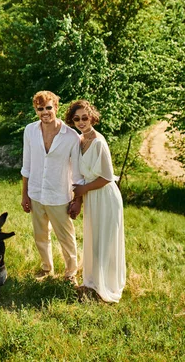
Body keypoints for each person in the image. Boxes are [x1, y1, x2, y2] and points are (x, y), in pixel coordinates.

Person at [65, 99, 126, 303]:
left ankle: (105, 286)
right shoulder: (80, 141)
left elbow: (107, 177)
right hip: (92, 196)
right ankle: (91, 282)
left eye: (85, 117)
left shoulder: (99, 142)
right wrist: (78, 200)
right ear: (72, 120)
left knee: (105, 241)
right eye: (77, 119)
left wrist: (84, 190)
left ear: (92, 117)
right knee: (93, 239)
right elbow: (80, 178)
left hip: (105, 196)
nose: (81, 122)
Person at [21, 90, 82, 282]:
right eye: (40, 109)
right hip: (36, 193)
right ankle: (46, 269)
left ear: (56, 107)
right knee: (40, 235)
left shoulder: (71, 137)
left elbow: (79, 174)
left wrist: (77, 200)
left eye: (48, 107)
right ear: (36, 110)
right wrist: (25, 195)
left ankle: (71, 273)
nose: (45, 112)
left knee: (66, 238)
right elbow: (27, 165)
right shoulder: (30, 131)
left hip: (59, 197)